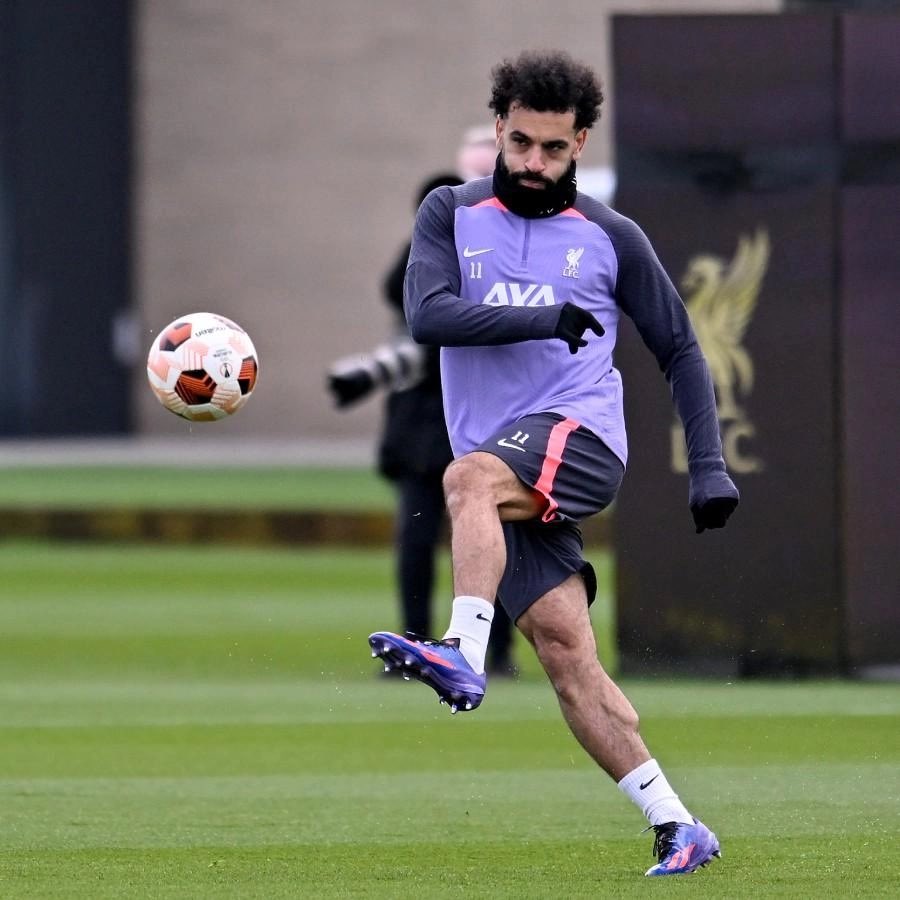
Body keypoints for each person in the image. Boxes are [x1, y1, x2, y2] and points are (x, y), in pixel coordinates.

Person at [367, 50, 739, 877]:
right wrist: (543, 316)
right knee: (569, 655)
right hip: (505, 471)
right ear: (498, 129)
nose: (535, 164)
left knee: (463, 480)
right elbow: (429, 315)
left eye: (555, 150)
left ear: (581, 144)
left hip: (581, 438)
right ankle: (679, 825)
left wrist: (707, 463)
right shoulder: (448, 214)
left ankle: (462, 650)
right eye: (522, 144)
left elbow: (679, 348)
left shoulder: (612, 237)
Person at [328, 159, 517, 674]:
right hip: (423, 428)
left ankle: (495, 652)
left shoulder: (490, 265)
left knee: (484, 541)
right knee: (419, 538)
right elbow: (407, 317)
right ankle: (413, 643)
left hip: (475, 423)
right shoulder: (421, 266)